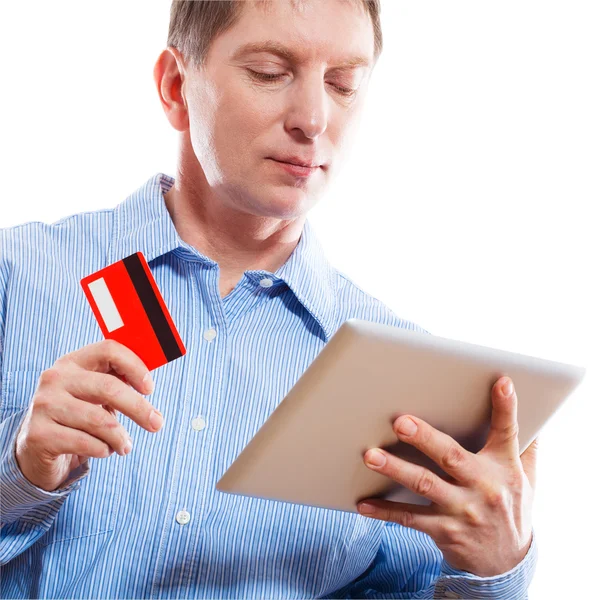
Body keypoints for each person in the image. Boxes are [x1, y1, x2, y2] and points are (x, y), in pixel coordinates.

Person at [0, 1, 538, 598]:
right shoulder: (19, 275)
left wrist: (493, 570)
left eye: (343, 84)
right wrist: (19, 470)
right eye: (269, 72)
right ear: (176, 87)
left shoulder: (403, 374)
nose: (313, 118)